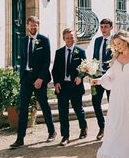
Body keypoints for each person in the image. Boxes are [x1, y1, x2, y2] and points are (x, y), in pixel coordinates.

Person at [9, 16, 56, 149]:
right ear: (27, 26)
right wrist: (21, 76)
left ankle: (52, 132)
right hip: (26, 78)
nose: (33, 27)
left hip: (39, 79)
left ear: (38, 26)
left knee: (44, 105)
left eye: (35, 25)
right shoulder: (23, 41)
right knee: (23, 108)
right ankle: (20, 138)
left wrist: (40, 79)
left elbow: (47, 61)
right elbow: (22, 59)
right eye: (31, 25)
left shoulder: (44, 40)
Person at [52, 28, 88, 146]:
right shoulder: (59, 52)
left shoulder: (80, 52)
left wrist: (80, 77)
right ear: (64, 39)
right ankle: (65, 136)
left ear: (75, 38)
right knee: (63, 112)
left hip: (75, 86)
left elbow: (85, 68)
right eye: (67, 38)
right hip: (62, 86)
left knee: (78, 109)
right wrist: (56, 82)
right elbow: (55, 70)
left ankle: (83, 128)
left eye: (72, 37)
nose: (70, 40)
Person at [91, 18, 113, 140]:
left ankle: (112, 128)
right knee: (95, 102)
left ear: (111, 27)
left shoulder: (115, 41)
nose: (103, 29)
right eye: (102, 27)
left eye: (106, 27)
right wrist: (90, 70)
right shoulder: (97, 40)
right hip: (97, 76)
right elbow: (95, 57)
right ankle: (102, 127)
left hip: (110, 77)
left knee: (113, 103)